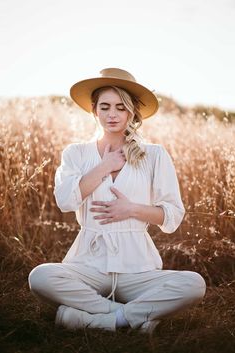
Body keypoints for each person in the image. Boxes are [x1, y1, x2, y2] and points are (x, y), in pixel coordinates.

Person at [28, 68, 206, 334]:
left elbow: (172, 216)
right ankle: (122, 317)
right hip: (89, 264)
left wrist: (132, 209)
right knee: (40, 276)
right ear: (93, 109)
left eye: (121, 107)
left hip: (137, 267)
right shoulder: (76, 153)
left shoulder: (154, 155)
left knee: (194, 284)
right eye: (105, 106)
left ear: (132, 112)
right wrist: (104, 166)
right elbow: (65, 201)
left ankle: (89, 318)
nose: (112, 114)